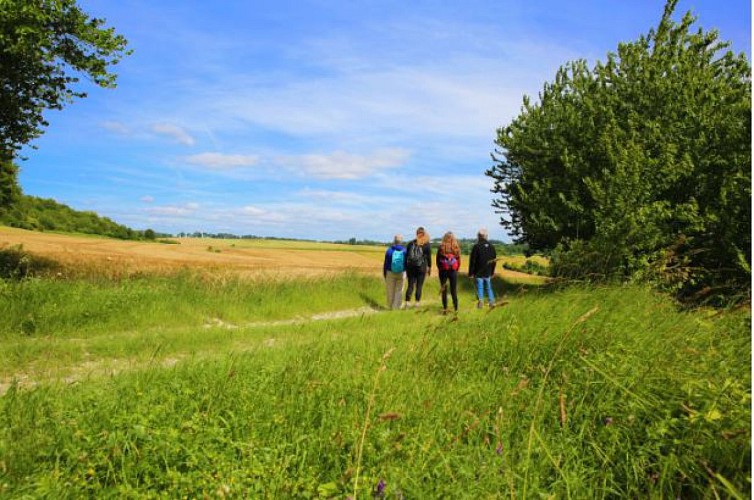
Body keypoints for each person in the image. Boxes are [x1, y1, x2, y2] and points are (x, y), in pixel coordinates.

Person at [469, 228, 498, 308]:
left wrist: (471, 273)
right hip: (488, 271)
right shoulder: (492, 247)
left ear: (479, 236)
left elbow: (472, 261)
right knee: (489, 287)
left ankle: (480, 303)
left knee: (480, 287)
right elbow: (494, 261)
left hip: (478, 271)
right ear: (486, 236)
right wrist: (492, 272)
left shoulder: (476, 246)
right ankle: (492, 302)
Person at [404, 227, 432, 308]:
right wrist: (429, 267)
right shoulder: (426, 245)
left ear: (416, 234)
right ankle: (417, 304)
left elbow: (406, 257)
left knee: (410, 285)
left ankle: (407, 303)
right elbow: (429, 258)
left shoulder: (410, 243)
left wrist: (406, 267)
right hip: (421, 268)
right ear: (424, 234)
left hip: (411, 267)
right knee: (419, 286)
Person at [436, 231, 461, 313]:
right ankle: (456, 308)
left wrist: (440, 268)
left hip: (443, 270)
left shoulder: (441, 247)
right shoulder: (456, 247)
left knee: (444, 290)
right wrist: (456, 269)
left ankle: (445, 309)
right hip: (453, 271)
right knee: (453, 290)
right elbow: (459, 260)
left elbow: (437, 260)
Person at [383, 234, 406, 310]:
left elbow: (385, 264)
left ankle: (390, 306)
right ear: (401, 241)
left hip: (390, 272)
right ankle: (396, 307)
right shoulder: (405, 251)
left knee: (390, 290)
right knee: (399, 290)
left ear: (394, 241)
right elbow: (407, 263)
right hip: (401, 273)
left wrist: (385, 274)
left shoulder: (389, 250)